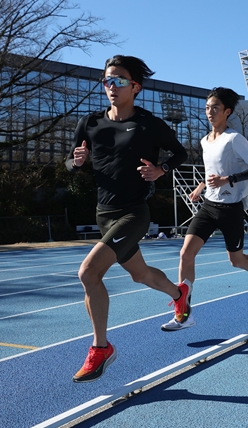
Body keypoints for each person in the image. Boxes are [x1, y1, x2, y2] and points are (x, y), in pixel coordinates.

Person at [65, 55, 188, 383]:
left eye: (118, 81)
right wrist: (75, 163)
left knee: (88, 273)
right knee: (141, 274)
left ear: (135, 86)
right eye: (107, 81)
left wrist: (161, 169)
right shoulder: (90, 123)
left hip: (134, 212)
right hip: (103, 213)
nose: (111, 87)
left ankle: (101, 348)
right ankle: (179, 295)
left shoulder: (149, 124)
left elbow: (181, 153)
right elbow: (68, 163)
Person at [160, 87, 248, 332]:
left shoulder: (234, 139)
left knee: (236, 260)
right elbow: (212, 169)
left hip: (231, 208)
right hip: (209, 206)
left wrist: (228, 179)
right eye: (207, 107)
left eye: (215, 108)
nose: (210, 112)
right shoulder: (204, 140)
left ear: (227, 112)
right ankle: (183, 313)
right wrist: (202, 185)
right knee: (185, 254)